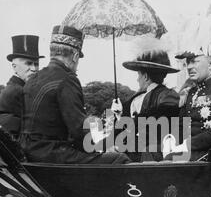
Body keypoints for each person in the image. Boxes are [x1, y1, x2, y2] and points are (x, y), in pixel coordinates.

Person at [20, 25, 130, 164]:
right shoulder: (67, 79)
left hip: (29, 153)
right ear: (75, 56)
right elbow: (78, 129)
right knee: (119, 159)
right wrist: (103, 148)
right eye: (78, 59)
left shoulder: (33, 79)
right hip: (52, 155)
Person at [111, 48, 180, 161]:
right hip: (131, 153)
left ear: (146, 76)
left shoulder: (167, 96)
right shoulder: (135, 98)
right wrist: (118, 115)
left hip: (155, 155)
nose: (137, 79)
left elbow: (155, 119)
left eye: (139, 74)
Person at [0, 35, 44, 138]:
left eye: (36, 64)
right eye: (28, 64)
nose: (34, 68)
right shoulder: (17, 90)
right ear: (14, 66)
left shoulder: (19, 87)